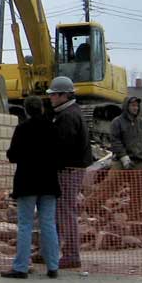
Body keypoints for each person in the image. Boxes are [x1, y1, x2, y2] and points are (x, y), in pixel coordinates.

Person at [1, 96, 62, 279]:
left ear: (26, 110)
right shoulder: (53, 128)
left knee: (25, 224)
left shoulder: (22, 129)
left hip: (27, 181)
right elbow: (60, 155)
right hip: (49, 181)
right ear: (42, 109)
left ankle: (21, 267)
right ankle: (53, 266)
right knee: (48, 224)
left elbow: (13, 155)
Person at [47, 75, 92, 269]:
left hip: (68, 170)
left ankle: (72, 254)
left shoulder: (67, 116)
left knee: (65, 212)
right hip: (72, 168)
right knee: (61, 211)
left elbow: (62, 147)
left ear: (64, 95)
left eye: (54, 95)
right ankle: (51, 250)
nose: (51, 98)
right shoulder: (72, 112)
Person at [107, 96, 142, 224]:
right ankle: (91, 208)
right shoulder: (117, 122)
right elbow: (115, 141)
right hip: (121, 161)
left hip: (139, 161)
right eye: (133, 105)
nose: (135, 108)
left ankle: (133, 218)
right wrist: (123, 156)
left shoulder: (141, 122)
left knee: (138, 191)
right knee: (109, 186)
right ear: (127, 106)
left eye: (137, 106)